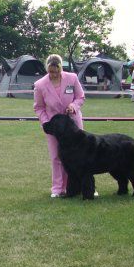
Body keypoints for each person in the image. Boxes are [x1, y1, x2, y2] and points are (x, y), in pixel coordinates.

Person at [34, 54, 86, 198]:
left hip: (73, 123)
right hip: (54, 127)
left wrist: (73, 105)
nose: (54, 74)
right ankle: (58, 188)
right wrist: (45, 122)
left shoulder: (72, 78)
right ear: (47, 69)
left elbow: (80, 97)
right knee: (56, 156)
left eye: (57, 71)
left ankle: (83, 185)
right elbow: (39, 107)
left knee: (80, 155)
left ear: (61, 68)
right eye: (51, 71)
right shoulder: (40, 85)